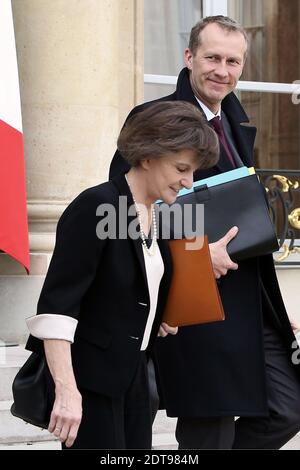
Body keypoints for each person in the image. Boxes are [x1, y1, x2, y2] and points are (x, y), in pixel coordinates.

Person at [109, 16, 300, 449]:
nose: (222, 70)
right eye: (212, 57)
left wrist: (273, 306)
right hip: (195, 299)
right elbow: (123, 209)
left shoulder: (235, 121)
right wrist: (195, 254)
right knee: (208, 426)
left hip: (250, 299)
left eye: (233, 61)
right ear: (189, 57)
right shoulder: (153, 118)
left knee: (288, 407)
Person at [25, 101, 219, 449]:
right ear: (147, 156)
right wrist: (68, 393)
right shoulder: (97, 206)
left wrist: (153, 316)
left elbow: (126, 288)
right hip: (91, 387)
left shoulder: (154, 214)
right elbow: (57, 308)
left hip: (135, 381)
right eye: (181, 169)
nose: (189, 182)